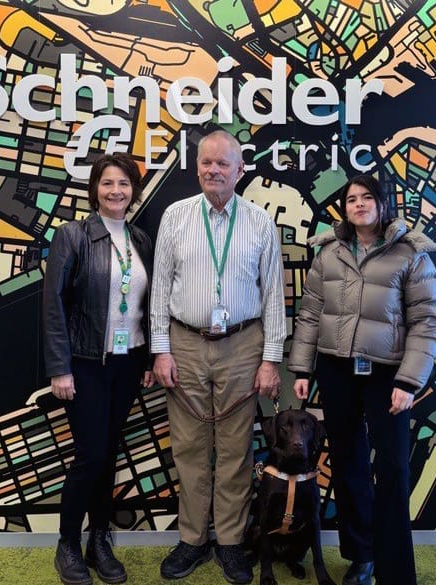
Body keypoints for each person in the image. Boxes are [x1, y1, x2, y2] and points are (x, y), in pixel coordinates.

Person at [288, 174, 436, 585]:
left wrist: (409, 381)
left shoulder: (411, 254)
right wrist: (302, 369)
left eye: (366, 198)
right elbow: (310, 313)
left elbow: (428, 322)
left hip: (387, 374)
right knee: (347, 462)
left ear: (382, 203)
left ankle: (394, 569)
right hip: (336, 369)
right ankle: (361, 555)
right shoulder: (329, 253)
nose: (358, 204)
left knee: (392, 467)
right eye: (351, 199)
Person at [150, 130, 286, 584]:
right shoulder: (175, 217)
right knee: (188, 448)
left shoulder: (261, 222)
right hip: (184, 343)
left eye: (223, 164)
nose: (213, 170)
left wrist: (270, 359)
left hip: (242, 344)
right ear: (197, 167)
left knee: (235, 450)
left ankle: (229, 543)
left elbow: (273, 296)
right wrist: (160, 350)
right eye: (207, 163)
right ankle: (192, 540)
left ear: (240, 170)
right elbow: (158, 290)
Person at [43, 153, 153, 585]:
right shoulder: (72, 236)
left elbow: (146, 307)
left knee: (108, 455)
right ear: (95, 190)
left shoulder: (141, 240)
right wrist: (60, 368)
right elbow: (53, 305)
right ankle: (68, 542)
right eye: (107, 183)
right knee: (90, 455)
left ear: (133, 191)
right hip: (85, 364)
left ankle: (99, 540)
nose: (116, 191)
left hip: (127, 365)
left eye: (124, 184)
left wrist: (146, 360)